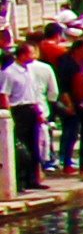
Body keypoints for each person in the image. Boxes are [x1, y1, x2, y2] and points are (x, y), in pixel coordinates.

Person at [2, 37, 49, 190]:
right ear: (22, 55)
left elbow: (33, 93)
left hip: (31, 109)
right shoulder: (9, 72)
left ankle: (33, 179)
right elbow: (4, 95)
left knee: (34, 145)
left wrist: (39, 111)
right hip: (18, 110)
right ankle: (20, 181)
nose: (33, 57)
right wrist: (9, 115)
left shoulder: (29, 71)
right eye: (30, 53)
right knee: (21, 148)